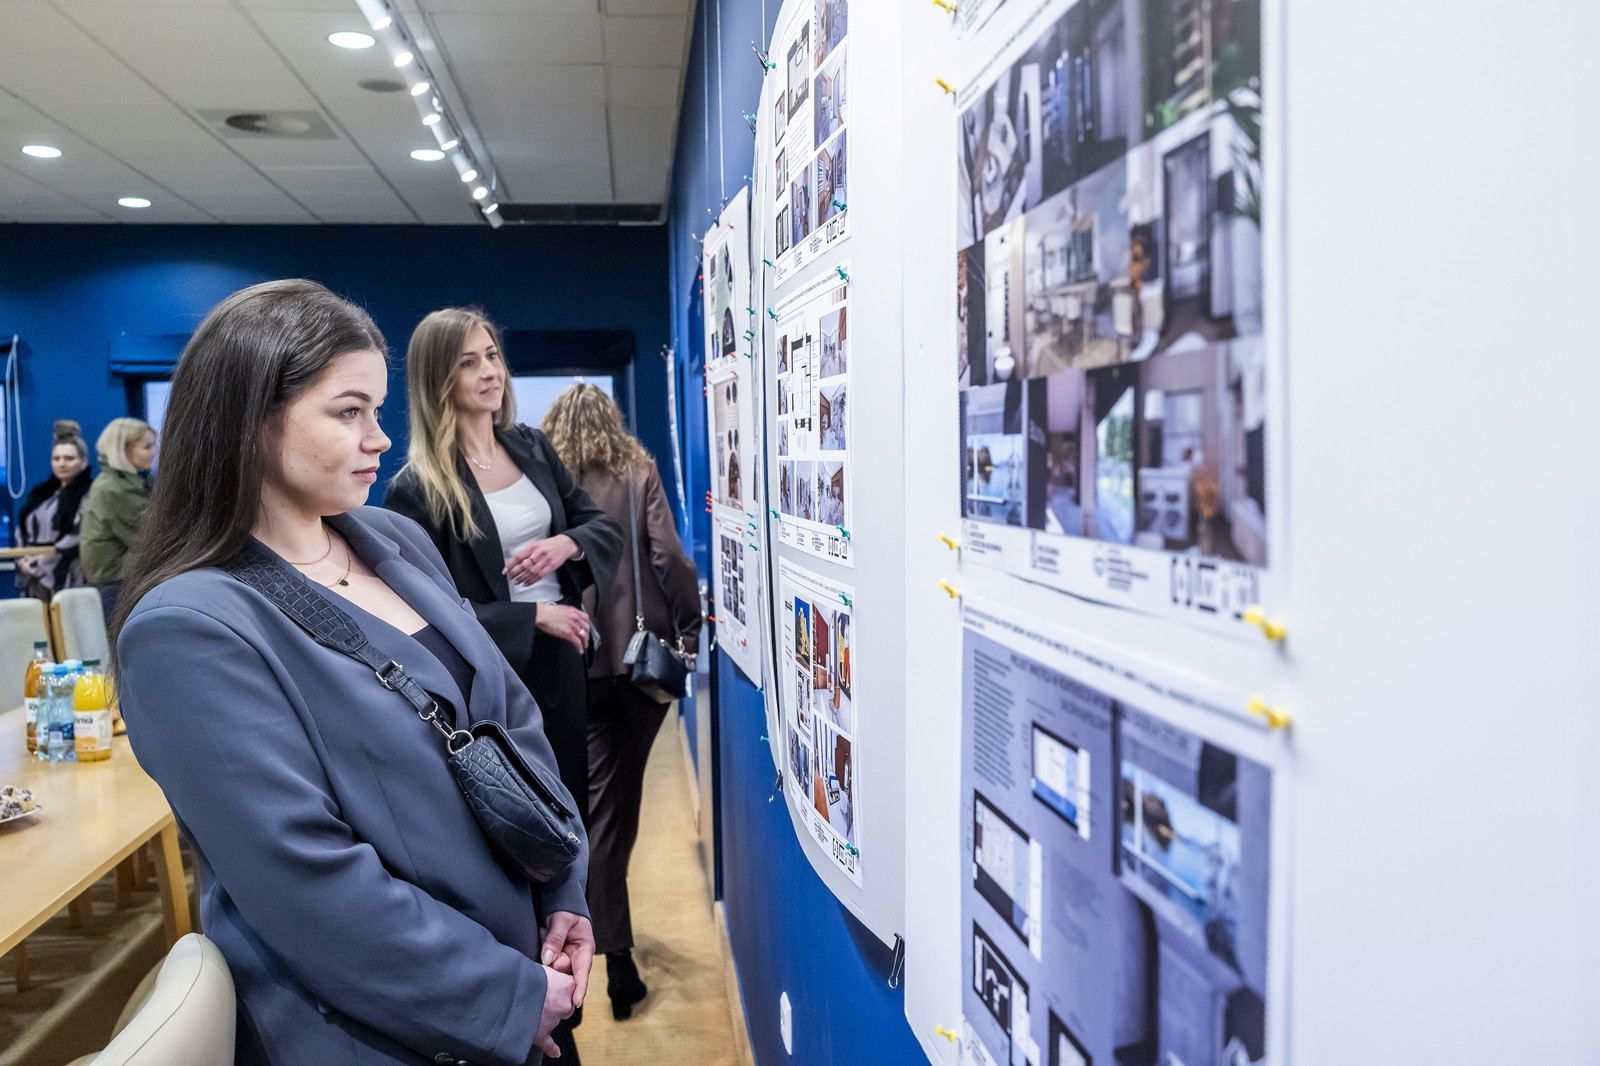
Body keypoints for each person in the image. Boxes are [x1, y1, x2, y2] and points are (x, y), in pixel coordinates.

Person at [110, 279, 590, 1066]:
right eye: (348, 412)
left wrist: (564, 890)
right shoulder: (187, 627)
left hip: (523, 967)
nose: (378, 439)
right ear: (250, 419)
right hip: (393, 1026)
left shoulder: (395, 539)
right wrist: (505, 995)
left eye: (377, 410)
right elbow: (306, 882)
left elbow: (510, 719)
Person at [385, 309, 621, 1062]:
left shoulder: (532, 447)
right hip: (489, 678)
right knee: (512, 835)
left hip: (561, 667)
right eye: (468, 361)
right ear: (437, 378)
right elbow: (423, 609)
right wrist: (532, 618)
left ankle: (567, 985)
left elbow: (600, 528)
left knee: (566, 823)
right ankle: (525, 1004)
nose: (490, 371)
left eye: (492, 355)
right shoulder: (417, 489)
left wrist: (564, 544)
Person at [541, 384, 702, 1021]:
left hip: (572, 661)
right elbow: (670, 558)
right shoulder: (637, 470)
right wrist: (690, 629)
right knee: (615, 815)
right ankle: (616, 962)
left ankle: (581, 950)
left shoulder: (547, 481)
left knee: (585, 811)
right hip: (639, 668)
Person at [80, 416, 156, 617]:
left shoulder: (114, 483)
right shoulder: (116, 488)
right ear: (123, 449)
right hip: (117, 586)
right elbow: (150, 537)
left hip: (115, 583)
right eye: (147, 447)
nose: (154, 452)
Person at [15, 419, 94, 601]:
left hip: (68, 572)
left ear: (83, 462)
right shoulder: (41, 494)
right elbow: (23, 528)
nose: (61, 464)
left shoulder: (89, 494)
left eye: (69, 458)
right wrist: (24, 558)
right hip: (32, 572)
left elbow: (79, 534)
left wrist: (41, 561)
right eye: (56, 458)